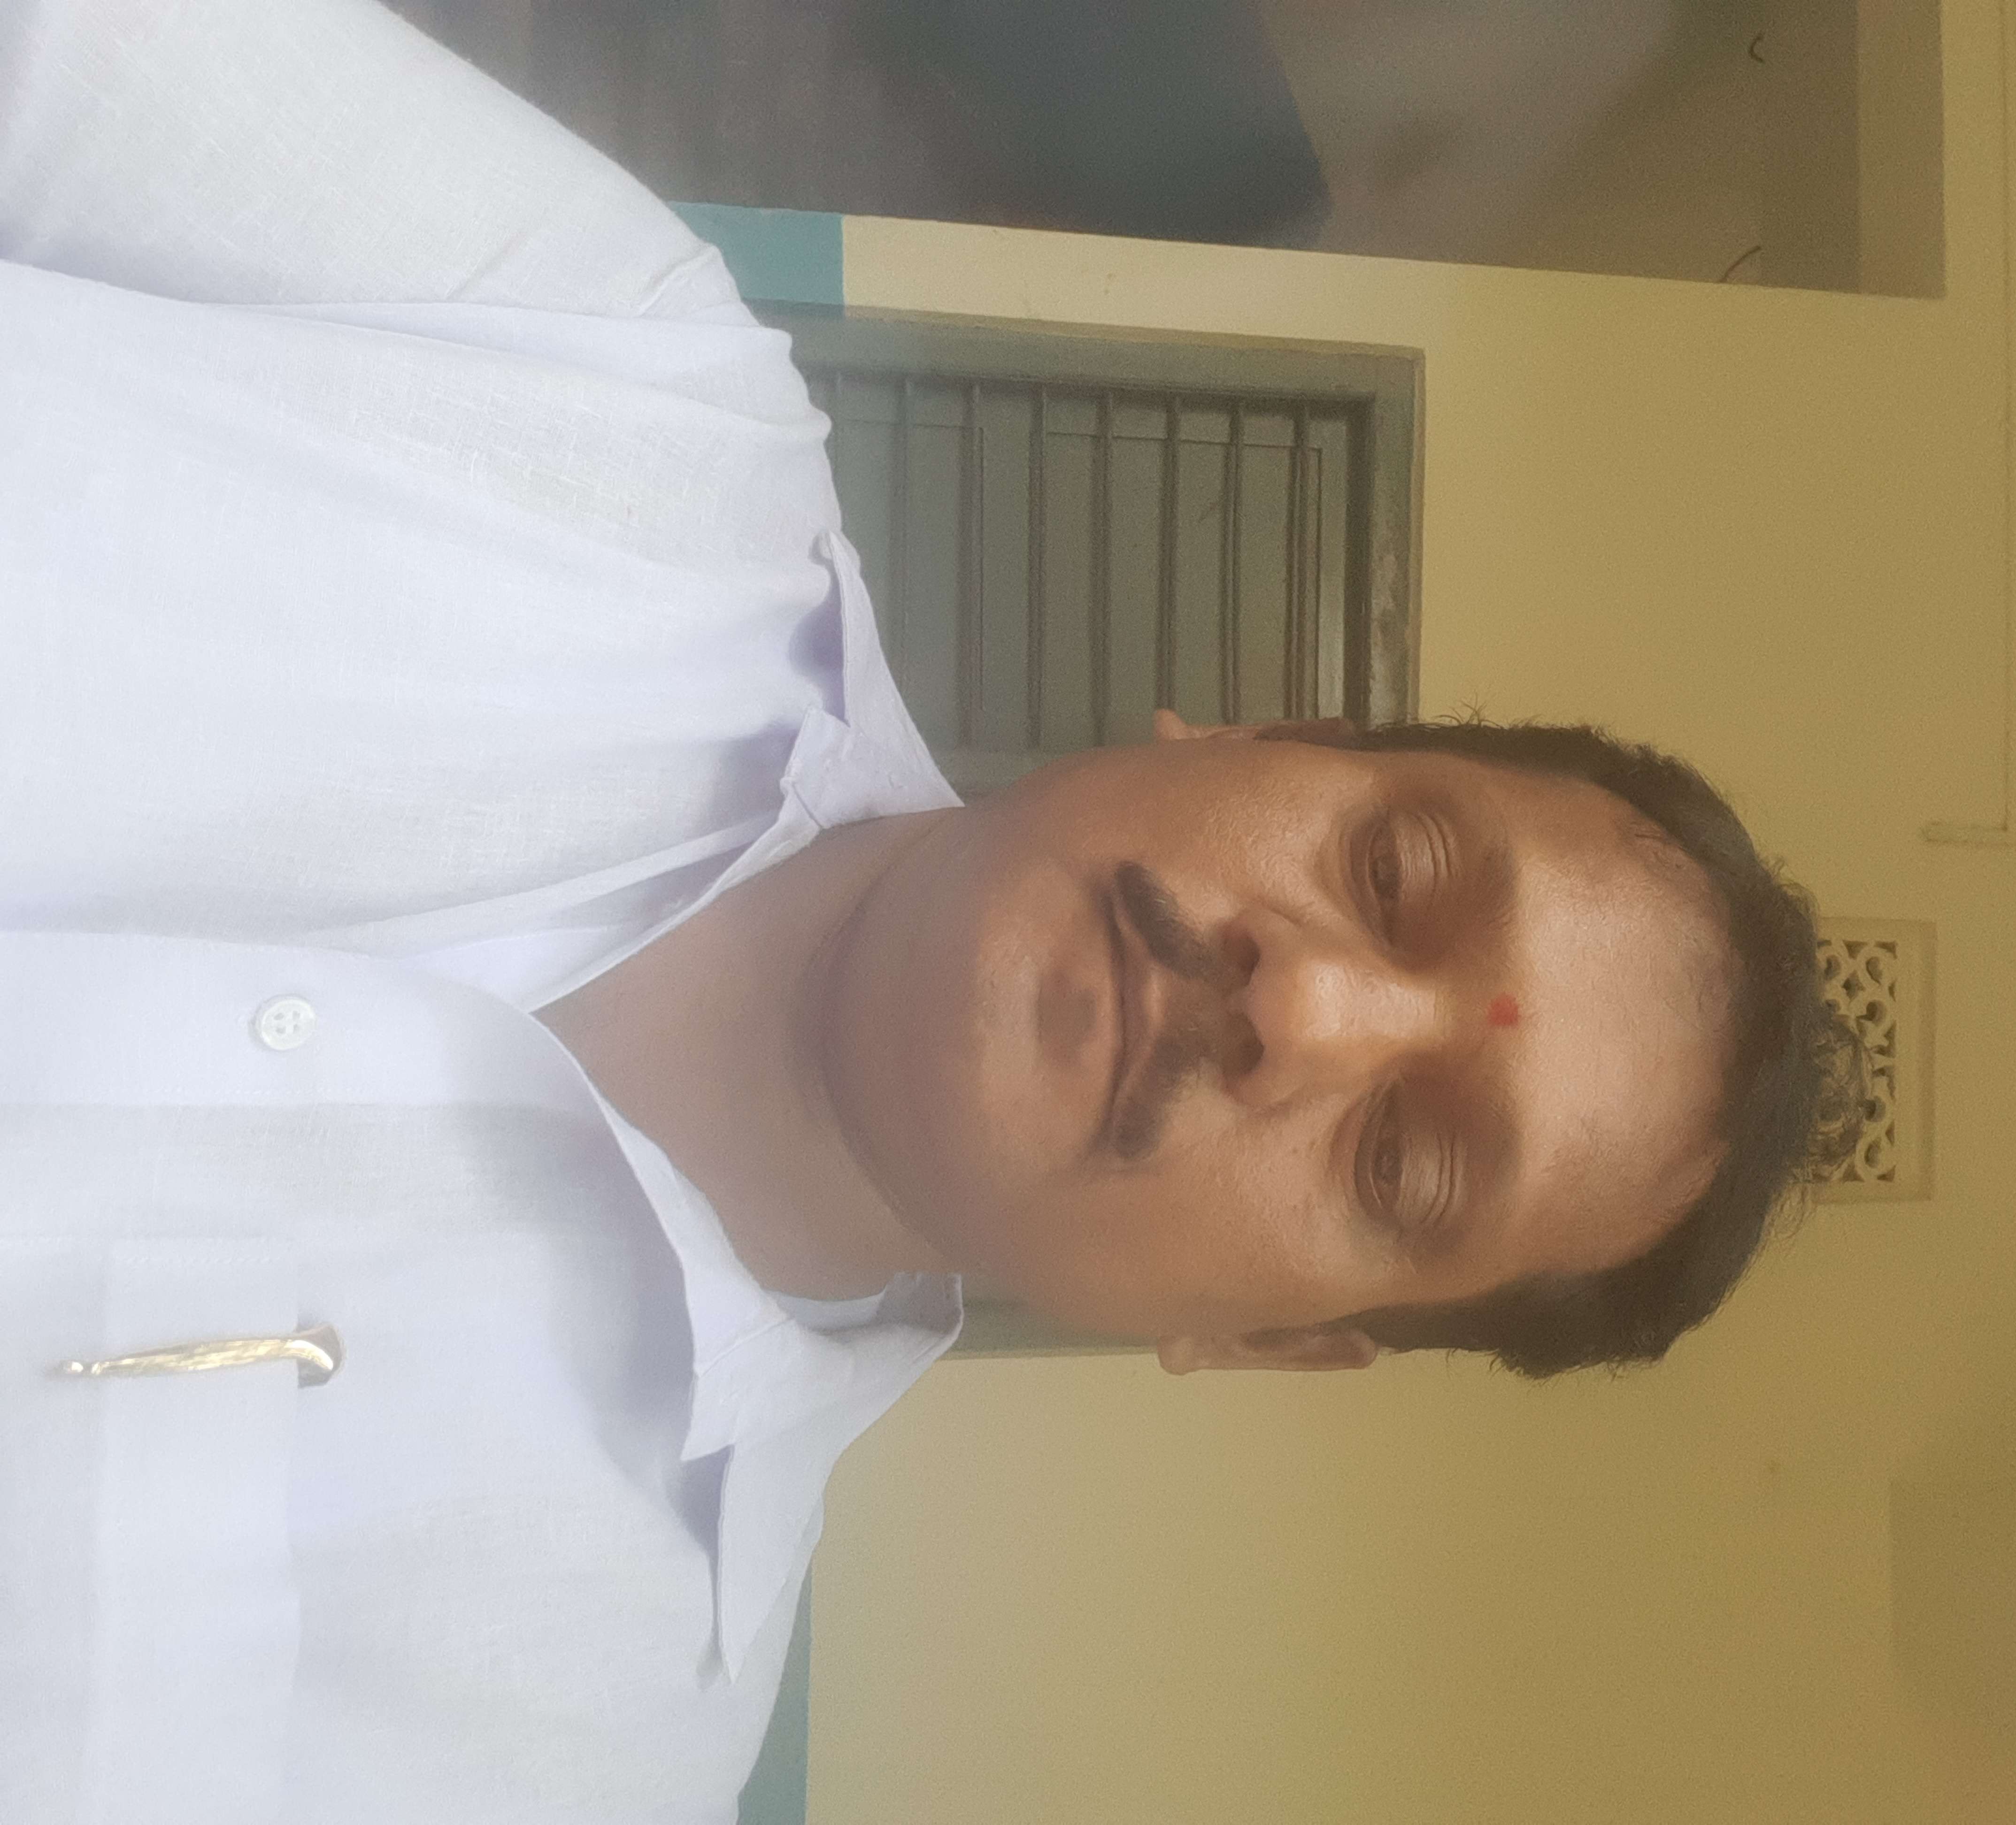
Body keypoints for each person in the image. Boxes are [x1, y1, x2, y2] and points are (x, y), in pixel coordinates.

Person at [0, 1, 1858, 1820]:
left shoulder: (581, 1743)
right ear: (1260, 734)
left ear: (1263, 1343)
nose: (1303, 1010)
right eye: (1393, 876)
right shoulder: (619, 375)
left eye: (1406, 1163)